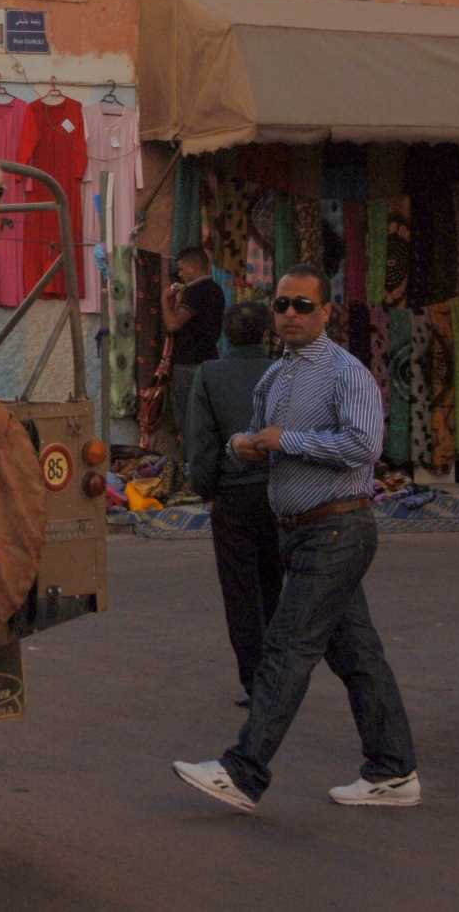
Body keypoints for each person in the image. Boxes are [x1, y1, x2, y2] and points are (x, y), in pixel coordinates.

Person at [173, 265, 420, 813]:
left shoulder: (343, 373)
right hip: (302, 530)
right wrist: (243, 445)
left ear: (326, 312)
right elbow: (260, 438)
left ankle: (244, 771)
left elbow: (364, 446)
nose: (290, 315)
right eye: (282, 305)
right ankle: (393, 769)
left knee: (287, 646)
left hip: (336, 528)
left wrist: (291, 440)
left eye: (303, 306)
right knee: (358, 655)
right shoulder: (277, 376)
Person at [183, 300, 279, 707]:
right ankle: (280, 677)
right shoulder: (284, 373)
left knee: (241, 593)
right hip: (281, 493)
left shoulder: (210, 375)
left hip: (234, 497)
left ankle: (256, 681)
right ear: (265, 333)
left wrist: (205, 489)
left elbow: (202, 442)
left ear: (226, 333)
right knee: (275, 585)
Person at [164, 246, 225, 459]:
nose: (179, 274)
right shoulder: (216, 290)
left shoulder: (195, 292)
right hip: (209, 361)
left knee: (188, 421)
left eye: (181, 268)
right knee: (207, 419)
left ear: (192, 266)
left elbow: (173, 324)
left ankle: (191, 470)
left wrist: (165, 301)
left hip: (189, 364)